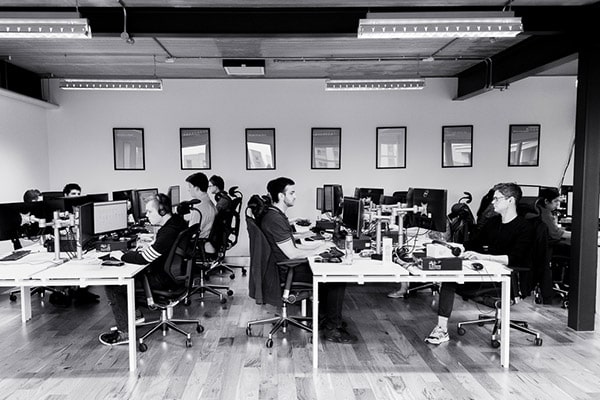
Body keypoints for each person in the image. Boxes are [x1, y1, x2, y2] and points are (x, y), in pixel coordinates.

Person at [425, 182, 533, 345]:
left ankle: (441, 329)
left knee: (451, 280)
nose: (492, 202)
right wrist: (454, 247)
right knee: (449, 278)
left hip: (507, 278)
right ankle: (441, 329)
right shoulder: (493, 223)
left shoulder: (525, 227)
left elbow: (515, 258)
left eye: (497, 199)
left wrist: (483, 257)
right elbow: (475, 243)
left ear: (510, 201)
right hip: (486, 271)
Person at [261, 177, 358, 344]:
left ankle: (325, 319)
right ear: (281, 196)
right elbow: (292, 254)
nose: (295, 196)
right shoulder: (275, 219)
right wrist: (318, 249)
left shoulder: (275, 214)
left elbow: (292, 247)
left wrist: (321, 247)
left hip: (285, 266)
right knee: (335, 276)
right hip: (287, 271)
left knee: (330, 268)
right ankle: (332, 329)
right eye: (291, 193)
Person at [99, 194, 187, 345]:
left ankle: (125, 332)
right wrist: (150, 247)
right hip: (173, 276)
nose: (146, 216)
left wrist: (121, 255)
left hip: (162, 280)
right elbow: (159, 250)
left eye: (149, 212)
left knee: (114, 286)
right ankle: (134, 316)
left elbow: (144, 259)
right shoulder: (177, 222)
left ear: (162, 211)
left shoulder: (167, 232)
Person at [186, 172, 217, 251]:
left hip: (198, 243)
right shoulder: (208, 202)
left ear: (196, 188)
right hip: (206, 240)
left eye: (190, 187)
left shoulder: (199, 208)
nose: (188, 189)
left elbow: (190, 234)